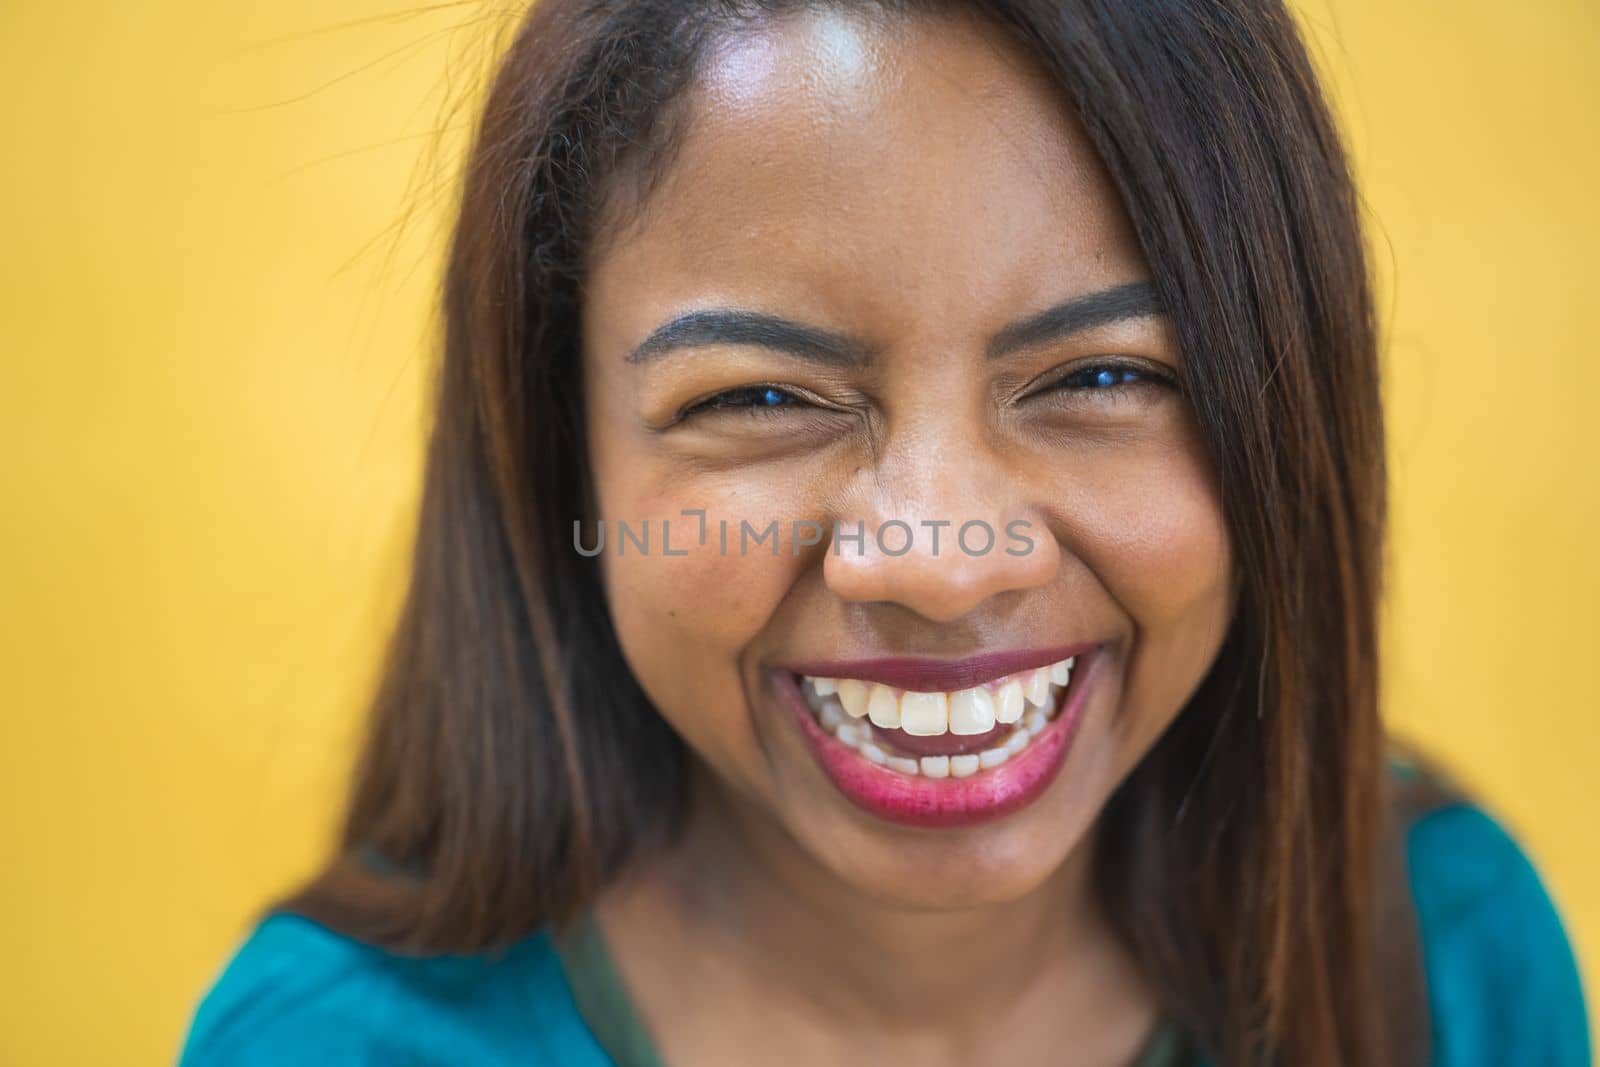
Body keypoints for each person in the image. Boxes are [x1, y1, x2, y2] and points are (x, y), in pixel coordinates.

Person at [179, 2, 1590, 1064]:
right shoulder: (329, 1044)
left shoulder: (1447, 957)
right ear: (567, 456)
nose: (941, 561)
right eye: (764, 396)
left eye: (1104, 377)